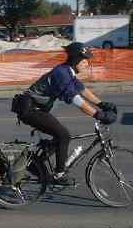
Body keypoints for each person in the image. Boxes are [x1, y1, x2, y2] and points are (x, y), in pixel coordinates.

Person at [12, 42, 117, 185]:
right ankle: (59, 174)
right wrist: (99, 115)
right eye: (85, 60)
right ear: (76, 60)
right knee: (63, 135)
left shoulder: (68, 72)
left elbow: (82, 90)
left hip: (37, 109)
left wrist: (102, 104)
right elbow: (77, 100)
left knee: (59, 136)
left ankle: (36, 161)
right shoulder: (61, 73)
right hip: (29, 109)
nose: (87, 63)